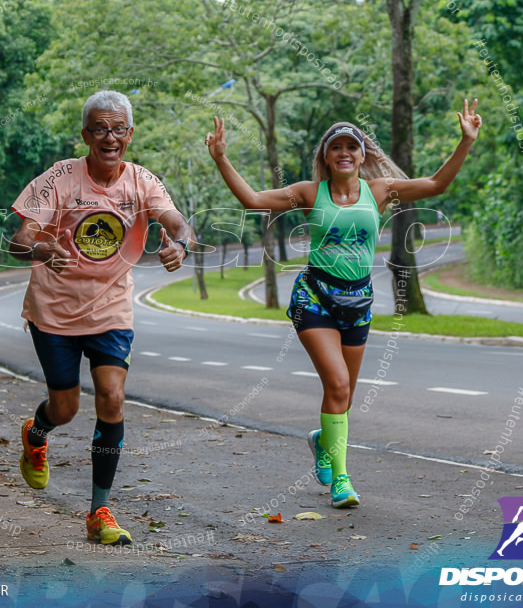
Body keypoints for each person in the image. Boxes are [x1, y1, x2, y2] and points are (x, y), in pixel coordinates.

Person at [206, 100, 482, 508]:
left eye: (351, 147)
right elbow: (252, 201)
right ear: (326, 156)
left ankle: (323, 439)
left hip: (358, 301)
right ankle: (342, 480)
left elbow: (436, 185)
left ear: (362, 154)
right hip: (314, 297)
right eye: (336, 148)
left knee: (345, 396)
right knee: (336, 385)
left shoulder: (381, 189)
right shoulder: (307, 193)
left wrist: (465, 141)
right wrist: (221, 158)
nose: (344, 154)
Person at [8, 90, 195, 546]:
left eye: (117, 129)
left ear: (129, 135)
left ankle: (99, 511)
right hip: (54, 311)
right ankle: (37, 433)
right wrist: (38, 247)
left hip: (111, 308)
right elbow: (19, 239)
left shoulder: (142, 182)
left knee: (111, 399)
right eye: (99, 129)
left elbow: (177, 221)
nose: (108, 137)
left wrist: (180, 244)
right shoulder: (59, 180)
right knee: (66, 409)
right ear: (85, 134)